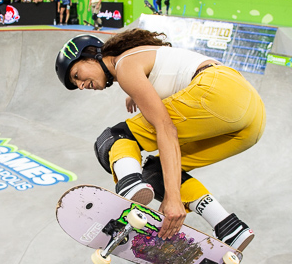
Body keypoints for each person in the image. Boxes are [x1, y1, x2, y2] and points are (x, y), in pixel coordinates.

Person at [54, 30, 264, 250]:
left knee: (113, 138)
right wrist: (135, 92)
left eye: (77, 75)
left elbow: (166, 128)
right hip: (251, 121)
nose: (81, 85)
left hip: (219, 92)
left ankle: (130, 184)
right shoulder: (137, 62)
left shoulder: (125, 64)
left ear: (90, 54)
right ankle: (229, 228)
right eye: (76, 84)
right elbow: (172, 72)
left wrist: (173, 198)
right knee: (157, 172)